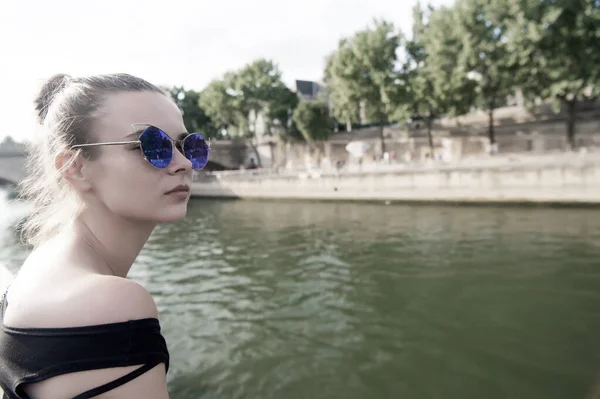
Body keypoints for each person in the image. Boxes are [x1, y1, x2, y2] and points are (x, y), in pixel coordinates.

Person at [0, 73, 211, 399]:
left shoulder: (44, 264)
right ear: (75, 167)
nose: (184, 163)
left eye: (188, 145)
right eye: (151, 145)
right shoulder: (112, 304)